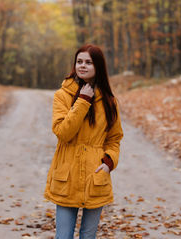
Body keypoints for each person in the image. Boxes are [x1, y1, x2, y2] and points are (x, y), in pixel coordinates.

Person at [44, 44, 124, 239]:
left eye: (88, 62)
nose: (83, 66)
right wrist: (82, 101)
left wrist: (108, 163)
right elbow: (63, 133)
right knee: (63, 236)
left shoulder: (109, 101)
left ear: (98, 66)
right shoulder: (62, 96)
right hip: (66, 175)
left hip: (95, 176)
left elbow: (114, 138)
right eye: (79, 61)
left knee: (88, 236)